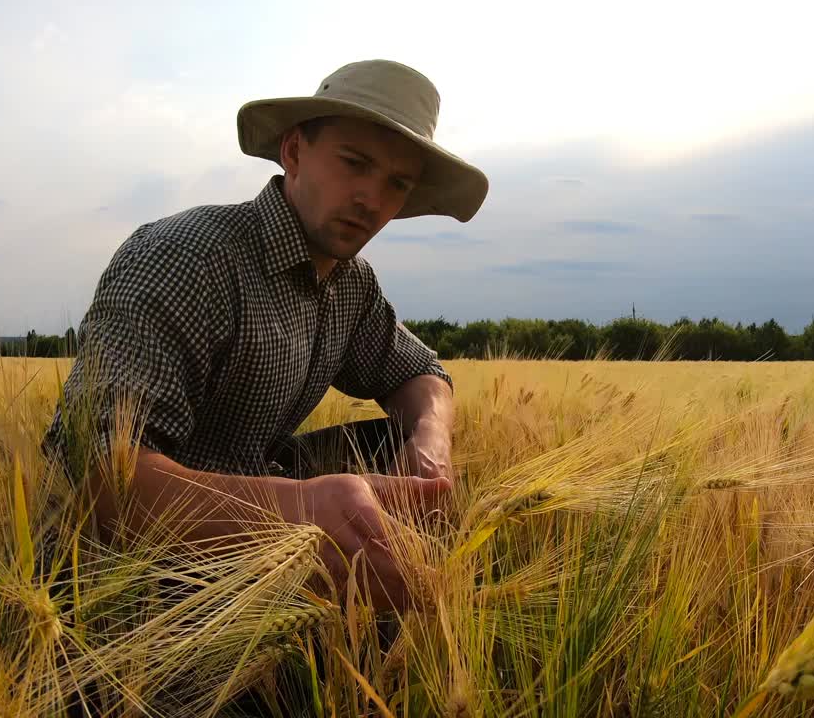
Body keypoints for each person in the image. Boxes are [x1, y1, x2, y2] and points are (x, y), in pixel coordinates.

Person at [43, 59, 489, 613]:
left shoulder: (350, 283)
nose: (371, 201)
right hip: (121, 587)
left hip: (251, 527)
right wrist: (301, 511)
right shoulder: (187, 259)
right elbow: (94, 478)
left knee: (402, 453)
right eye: (354, 163)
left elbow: (424, 375)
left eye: (396, 184)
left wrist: (431, 440)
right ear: (294, 152)